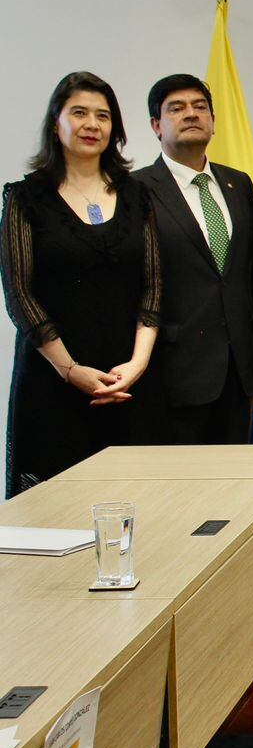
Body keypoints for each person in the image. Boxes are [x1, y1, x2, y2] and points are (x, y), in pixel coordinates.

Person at [1, 71, 166, 497]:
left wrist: (137, 365)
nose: (92, 124)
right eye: (79, 113)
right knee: (51, 513)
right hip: (52, 381)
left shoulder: (137, 195)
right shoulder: (25, 199)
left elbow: (153, 286)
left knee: (135, 508)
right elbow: (20, 295)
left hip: (127, 380)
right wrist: (70, 370)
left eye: (103, 115)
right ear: (56, 124)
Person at [133, 74, 253, 445]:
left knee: (235, 485)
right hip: (171, 369)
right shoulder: (135, 190)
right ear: (156, 125)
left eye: (200, 107)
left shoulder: (238, 183)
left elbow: (251, 276)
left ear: (213, 120)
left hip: (238, 368)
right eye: (176, 109)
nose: (191, 115)